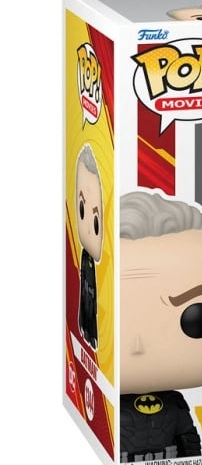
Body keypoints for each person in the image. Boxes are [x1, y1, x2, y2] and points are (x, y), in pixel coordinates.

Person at [119, 192, 202, 461]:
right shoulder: (107, 405)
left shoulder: (175, 406)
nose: (139, 345)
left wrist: (193, 464)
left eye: (198, 318)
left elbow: (188, 439)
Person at [76, 144, 103, 351]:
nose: (87, 228)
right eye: (81, 208)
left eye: (95, 222)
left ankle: (90, 334)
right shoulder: (85, 257)